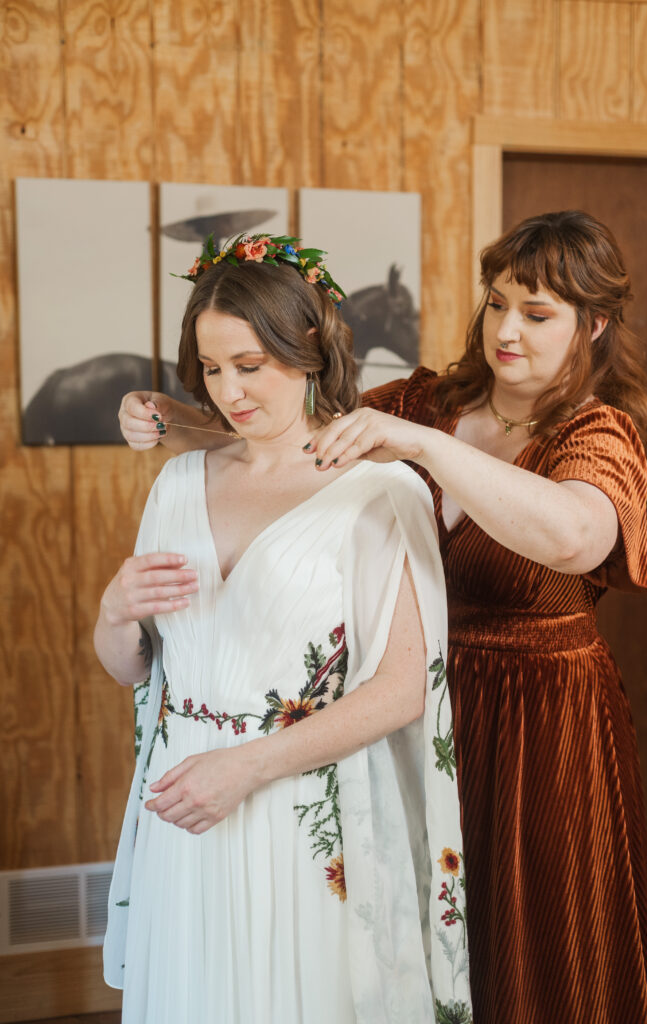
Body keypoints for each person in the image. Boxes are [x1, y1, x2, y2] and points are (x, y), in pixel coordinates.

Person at [119, 211, 647, 1024]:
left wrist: (426, 448)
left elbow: (576, 537)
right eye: (498, 303)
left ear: (594, 326)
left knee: (532, 948)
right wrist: (172, 416)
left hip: (536, 726)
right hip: (397, 716)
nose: (506, 330)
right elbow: (291, 433)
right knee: (415, 942)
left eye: (537, 314)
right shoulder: (427, 399)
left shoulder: (595, 434)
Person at [98, 233, 471, 1024]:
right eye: (210, 367)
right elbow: (133, 670)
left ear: (305, 347)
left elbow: (404, 690)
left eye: (249, 365)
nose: (228, 390)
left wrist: (247, 767)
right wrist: (114, 610)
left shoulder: (379, 488)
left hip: (299, 802)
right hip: (183, 799)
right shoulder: (176, 481)